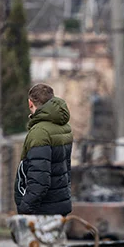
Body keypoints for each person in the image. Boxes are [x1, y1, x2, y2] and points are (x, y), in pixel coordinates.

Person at [14, 83, 73, 215]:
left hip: (42, 209)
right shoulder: (64, 127)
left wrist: (25, 208)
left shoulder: (40, 132)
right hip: (60, 203)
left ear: (30, 103)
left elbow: (39, 179)